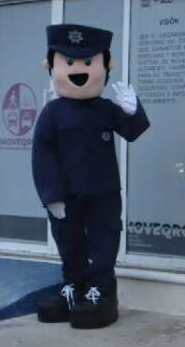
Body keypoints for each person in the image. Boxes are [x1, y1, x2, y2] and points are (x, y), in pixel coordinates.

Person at [32, 24, 148, 329]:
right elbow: (43, 155)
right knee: (68, 241)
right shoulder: (53, 112)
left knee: (103, 241)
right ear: (51, 66)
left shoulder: (106, 108)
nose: (78, 70)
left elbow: (133, 131)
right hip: (66, 194)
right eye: (69, 62)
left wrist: (133, 110)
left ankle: (101, 290)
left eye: (87, 62)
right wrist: (50, 195)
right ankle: (73, 285)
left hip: (103, 192)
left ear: (106, 67)